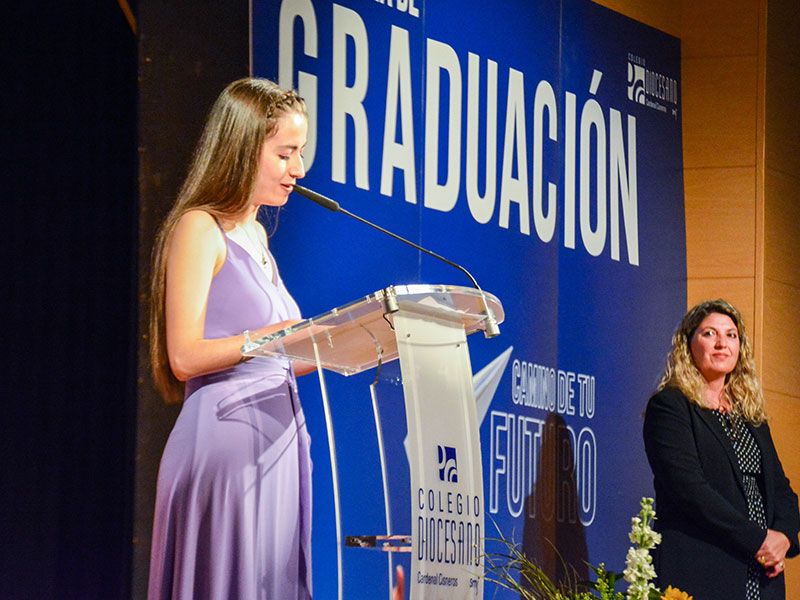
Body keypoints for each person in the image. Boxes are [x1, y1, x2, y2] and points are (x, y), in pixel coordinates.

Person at [147, 78, 313, 599]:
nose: (299, 170)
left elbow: (279, 355)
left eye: (300, 153)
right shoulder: (200, 229)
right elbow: (183, 356)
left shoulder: (258, 236)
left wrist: (351, 339)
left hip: (278, 447)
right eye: (286, 153)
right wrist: (275, 335)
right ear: (243, 150)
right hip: (226, 448)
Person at [643, 299, 800, 600]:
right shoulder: (671, 407)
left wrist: (783, 537)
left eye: (731, 335)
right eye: (709, 334)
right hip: (702, 569)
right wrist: (757, 539)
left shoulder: (749, 416)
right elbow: (689, 490)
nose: (721, 344)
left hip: (761, 574)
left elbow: (781, 489)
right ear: (688, 345)